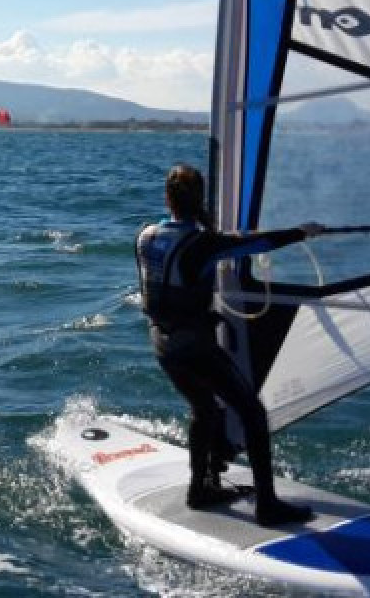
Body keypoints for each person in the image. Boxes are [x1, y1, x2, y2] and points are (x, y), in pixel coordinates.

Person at [135, 163, 323, 527]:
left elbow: (190, 261)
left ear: (167, 198)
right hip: (192, 345)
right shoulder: (203, 244)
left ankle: (200, 488)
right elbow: (259, 243)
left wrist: (217, 238)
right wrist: (303, 232)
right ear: (200, 199)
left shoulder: (146, 235)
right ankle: (267, 506)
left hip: (161, 341)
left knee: (204, 409)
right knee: (252, 413)